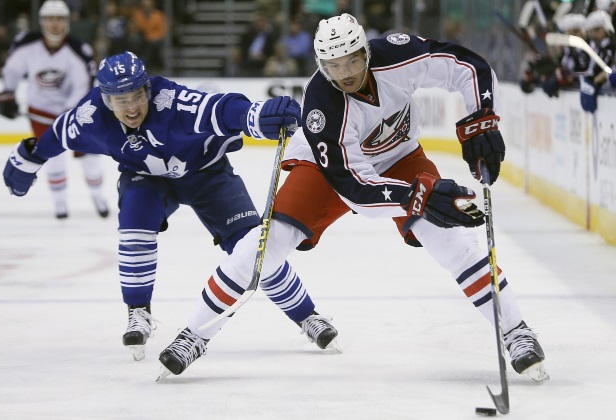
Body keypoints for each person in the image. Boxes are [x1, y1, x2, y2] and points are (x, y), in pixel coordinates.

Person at [156, 13, 550, 385]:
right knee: (263, 246)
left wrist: (480, 119)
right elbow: (356, 189)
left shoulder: (398, 55)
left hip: (400, 156)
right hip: (327, 170)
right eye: (332, 64)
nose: (344, 73)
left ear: (366, 51)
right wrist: (420, 195)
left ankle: (516, 331)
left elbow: (466, 65)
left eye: (351, 60)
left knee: (452, 240)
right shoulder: (322, 106)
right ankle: (194, 334)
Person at [2, 50, 340, 362]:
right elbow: (59, 133)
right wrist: (29, 157)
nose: (131, 107)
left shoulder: (173, 103)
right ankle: (138, 312)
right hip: (146, 179)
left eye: (137, 95)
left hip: (208, 175)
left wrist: (255, 116)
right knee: (135, 223)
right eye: (121, 99)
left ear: (147, 89)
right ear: (106, 99)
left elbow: (220, 109)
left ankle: (307, 316)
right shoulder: (91, 116)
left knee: (253, 250)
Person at [0, 0, 109, 219]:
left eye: (59, 19)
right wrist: (8, 93)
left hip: (76, 113)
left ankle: (99, 198)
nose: (54, 24)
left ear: (66, 22)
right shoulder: (27, 45)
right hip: (42, 111)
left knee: (90, 157)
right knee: (51, 157)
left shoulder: (78, 50)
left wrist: (69, 114)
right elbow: (12, 69)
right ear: (42, 21)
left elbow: (83, 85)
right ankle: (60, 206)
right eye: (49, 18)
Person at [579, 10, 616, 113]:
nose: (594, 34)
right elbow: (590, 70)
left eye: (597, 30)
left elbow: (609, 73)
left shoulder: (612, 47)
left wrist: (605, 76)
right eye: (591, 31)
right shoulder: (595, 47)